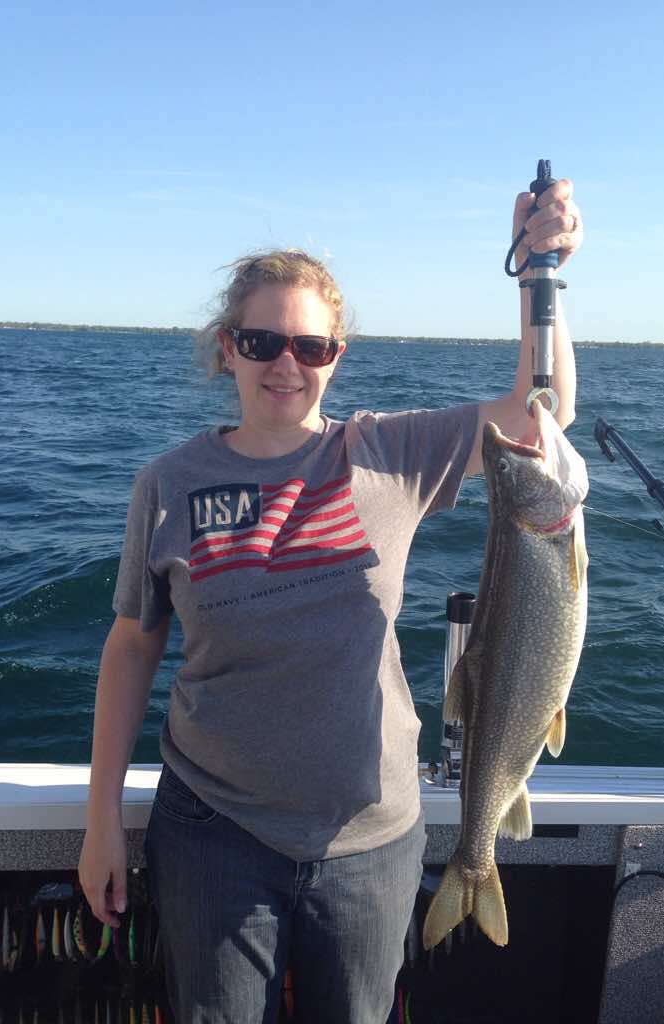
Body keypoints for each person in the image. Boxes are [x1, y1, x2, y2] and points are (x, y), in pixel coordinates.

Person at [78, 179, 583, 1024]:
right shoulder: (168, 483)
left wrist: (541, 275)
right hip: (212, 830)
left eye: (310, 347)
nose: (286, 364)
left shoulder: (388, 452)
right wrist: (102, 819)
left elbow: (543, 418)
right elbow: (132, 646)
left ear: (336, 356)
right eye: (262, 341)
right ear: (228, 349)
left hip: (372, 838)